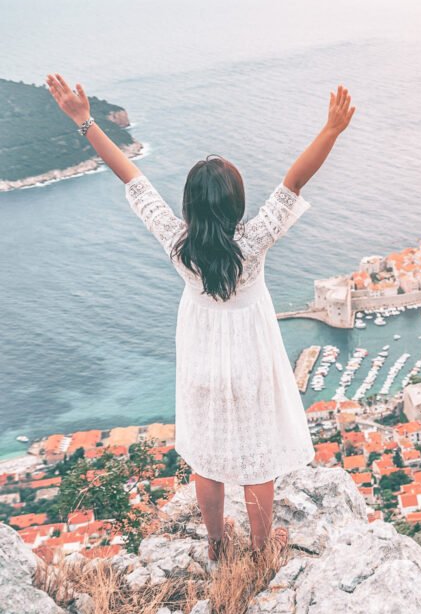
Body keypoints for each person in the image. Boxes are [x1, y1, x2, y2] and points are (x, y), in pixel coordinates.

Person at [46, 73, 356, 560]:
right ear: (238, 204)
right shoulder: (252, 245)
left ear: (188, 205)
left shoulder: (177, 245)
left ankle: (216, 547)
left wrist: (84, 120)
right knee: (258, 459)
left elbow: (133, 177)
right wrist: (331, 131)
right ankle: (259, 547)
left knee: (206, 458)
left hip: (201, 360)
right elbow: (294, 181)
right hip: (251, 359)